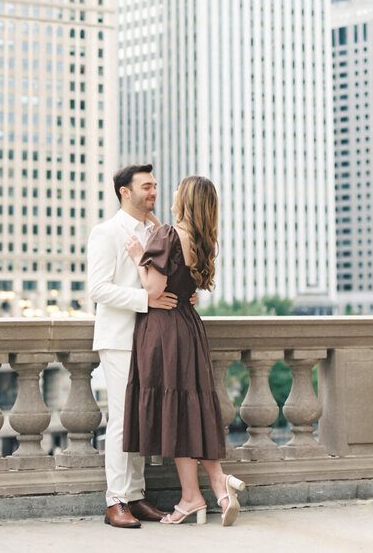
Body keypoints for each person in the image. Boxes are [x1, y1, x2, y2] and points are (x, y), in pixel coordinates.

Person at [122, 175, 246, 526]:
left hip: (164, 331)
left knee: (175, 412)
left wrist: (137, 258)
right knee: (191, 409)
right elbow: (189, 286)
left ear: (185, 198)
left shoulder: (166, 236)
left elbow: (154, 288)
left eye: (176, 190)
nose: (170, 194)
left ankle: (194, 496)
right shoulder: (202, 239)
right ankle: (217, 485)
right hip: (190, 327)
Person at [87, 164, 178, 529]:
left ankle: (136, 496)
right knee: (123, 422)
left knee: (141, 421)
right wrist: (146, 301)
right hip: (120, 338)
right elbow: (97, 289)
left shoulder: (155, 231)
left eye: (155, 185)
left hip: (150, 339)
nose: (154, 191)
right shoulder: (105, 232)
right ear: (125, 191)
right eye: (146, 186)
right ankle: (116, 500)